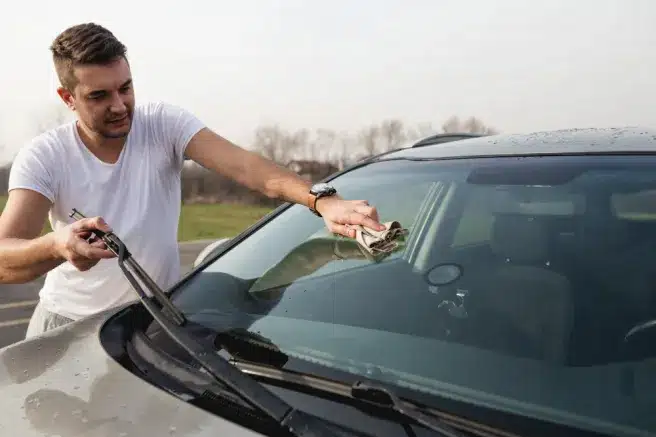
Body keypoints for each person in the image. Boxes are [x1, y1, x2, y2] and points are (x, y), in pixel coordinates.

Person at [0, 23, 384, 339]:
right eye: (99, 96)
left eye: (126, 88)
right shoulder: (45, 155)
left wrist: (322, 200)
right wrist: (57, 245)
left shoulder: (163, 124)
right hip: (68, 327)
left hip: (153, 319)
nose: (119, 105)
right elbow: (3, 256)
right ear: (68, 97)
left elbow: (248, 168)